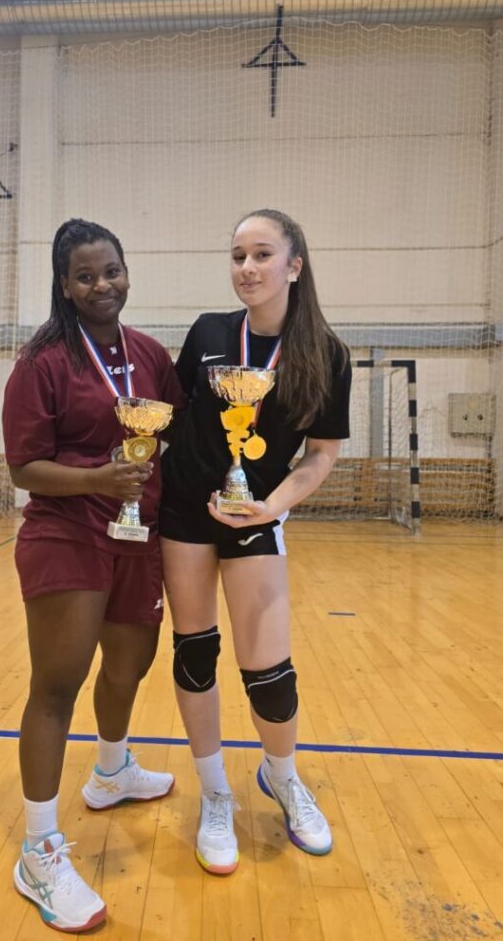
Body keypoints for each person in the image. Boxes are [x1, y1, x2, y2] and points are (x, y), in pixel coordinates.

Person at [2, 218, 186, 932]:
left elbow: (177, 431)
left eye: (111, 271)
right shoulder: (43, 362)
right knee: (58, 685)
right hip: (67, 532)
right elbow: (24, 467)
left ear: (126, 272)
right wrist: (96, 479)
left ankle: (112, 770)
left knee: (130, 665)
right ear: (65, 285)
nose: (102, 285)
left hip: (139, 532)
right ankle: (39, 851)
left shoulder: (148, 354)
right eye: (85, 276)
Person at [160, 208, 351, 875]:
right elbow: (173, 416)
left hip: (255, 517)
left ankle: (282, 776)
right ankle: (215, 793)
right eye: (238, 255)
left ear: (294, 266)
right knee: (195, 653)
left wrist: (270, 507)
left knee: (269, 674)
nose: (247, 267)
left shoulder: (326, 354)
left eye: (262, 254)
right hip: (185, 514)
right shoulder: (209, 333)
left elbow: (321, 454)